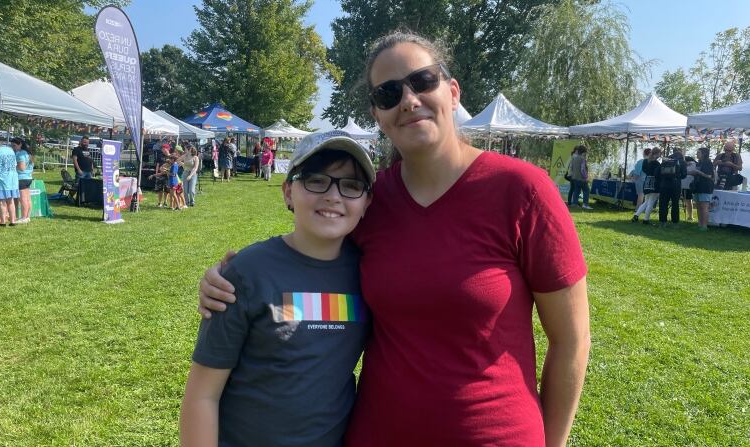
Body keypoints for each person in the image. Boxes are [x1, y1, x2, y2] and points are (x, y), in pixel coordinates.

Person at [197, 31, 590, 447]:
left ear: (452, 91)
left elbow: (571, 339)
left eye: (422, 81)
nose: (408, 99)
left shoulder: (522, 190)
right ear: (377, 115)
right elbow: (308, 256)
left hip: (495, 435)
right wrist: (230, 279)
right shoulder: (369, 199)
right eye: (388, 93)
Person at [180, 131, 374, 447]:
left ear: (367, 202)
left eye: (351, 185)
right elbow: (202, 396)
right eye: (315, 180)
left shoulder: (370, 273)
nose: (333, 195)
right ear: (287, 192)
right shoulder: (247, 272)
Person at [655, 148, 687, 226]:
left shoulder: (665, 160)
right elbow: (684, 175)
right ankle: (675, 222)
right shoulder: (682, 162)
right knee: (675, 204)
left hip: (664, 185)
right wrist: (678, 177)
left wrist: (662, 179)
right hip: (676, 185)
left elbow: (656, 173)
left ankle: (662, 222)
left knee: (663, 203)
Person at [631, 147, 661, 224]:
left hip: (647, 182)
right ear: (657, 154)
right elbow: (658, 174)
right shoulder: (657, 163)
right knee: (651, 202)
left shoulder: (645, 161)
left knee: (647, 201)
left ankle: (636, 215)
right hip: (655, 183)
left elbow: (644, 170)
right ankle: (646, 219)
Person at [691, 147, 714, 231]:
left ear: (704, 154)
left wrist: (697, 172)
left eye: (698, 152)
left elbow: (709, 176)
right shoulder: (699, 163)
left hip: (706, 187)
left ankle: (704, 226)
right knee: (698, 206)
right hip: (698, 186)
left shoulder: (708, 163)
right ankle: (699, 223)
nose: (697, 154)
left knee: (704, 207)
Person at [13, 138, 34, 224]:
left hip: (21, 178)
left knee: (23, 199)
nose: (13, 147)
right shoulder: (28, 153)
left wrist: (13, 165)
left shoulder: (21, 154)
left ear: (20, 144)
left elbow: (22, 168)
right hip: (28, 177)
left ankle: (23, 217)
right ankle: (27, 217)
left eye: (14, 145)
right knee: (28, 199)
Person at [567, 145, 592, 209]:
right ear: (583, 152)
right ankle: (585, 204)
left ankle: (574, 204)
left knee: (576, 191)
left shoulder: (574, 158)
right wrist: (586, 177)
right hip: (581, 179)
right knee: (586, 190)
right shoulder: (582, 159)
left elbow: (571, 167)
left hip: (574, 178)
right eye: (585, 152)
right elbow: (582, 169)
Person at [681, 155, 697, 221]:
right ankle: (690, 216)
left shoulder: (685, 164)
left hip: (684, 185)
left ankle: (690, 216)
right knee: (688, 200)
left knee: (688, 200)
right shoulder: (695, 164)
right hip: (689, 185)